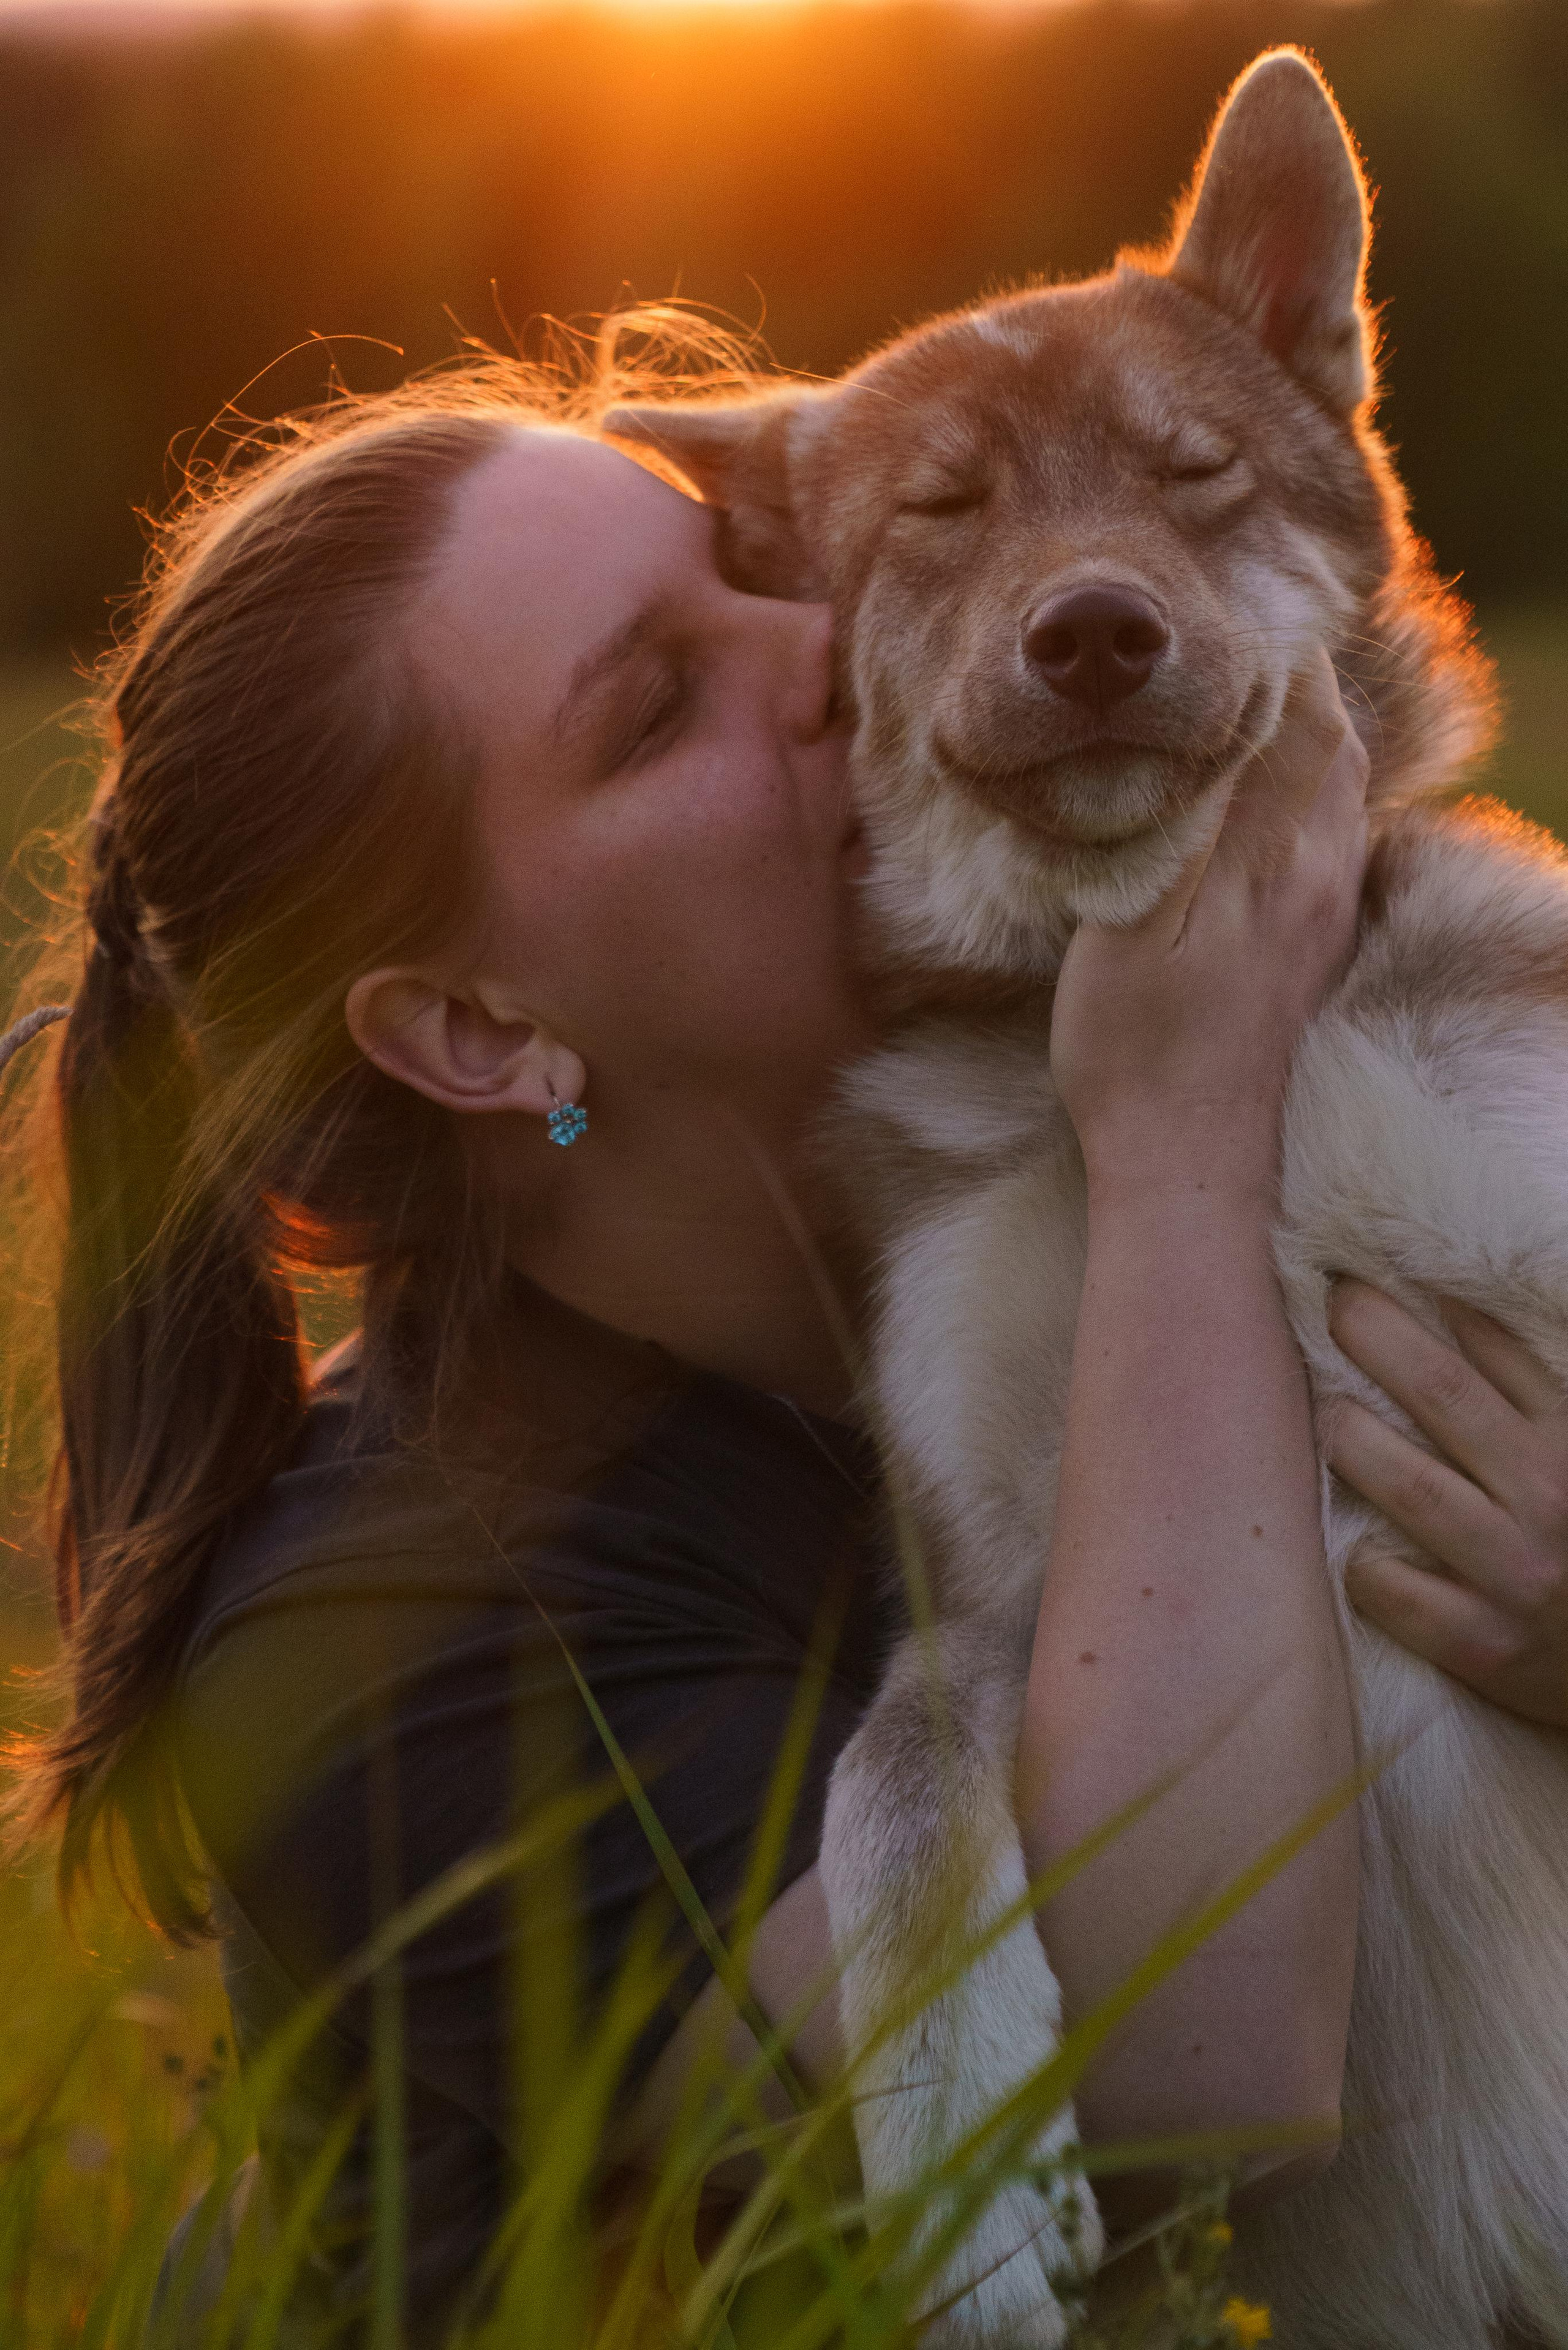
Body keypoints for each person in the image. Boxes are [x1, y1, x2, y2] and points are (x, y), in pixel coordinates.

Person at [10, 355, 1568, 2344]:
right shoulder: (389, 1645)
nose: (829, 652)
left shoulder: (981, 1208)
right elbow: (1195, 2093)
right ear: (485, 1037)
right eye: (659, 706)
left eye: (761, 576)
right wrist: (1188, 1134)